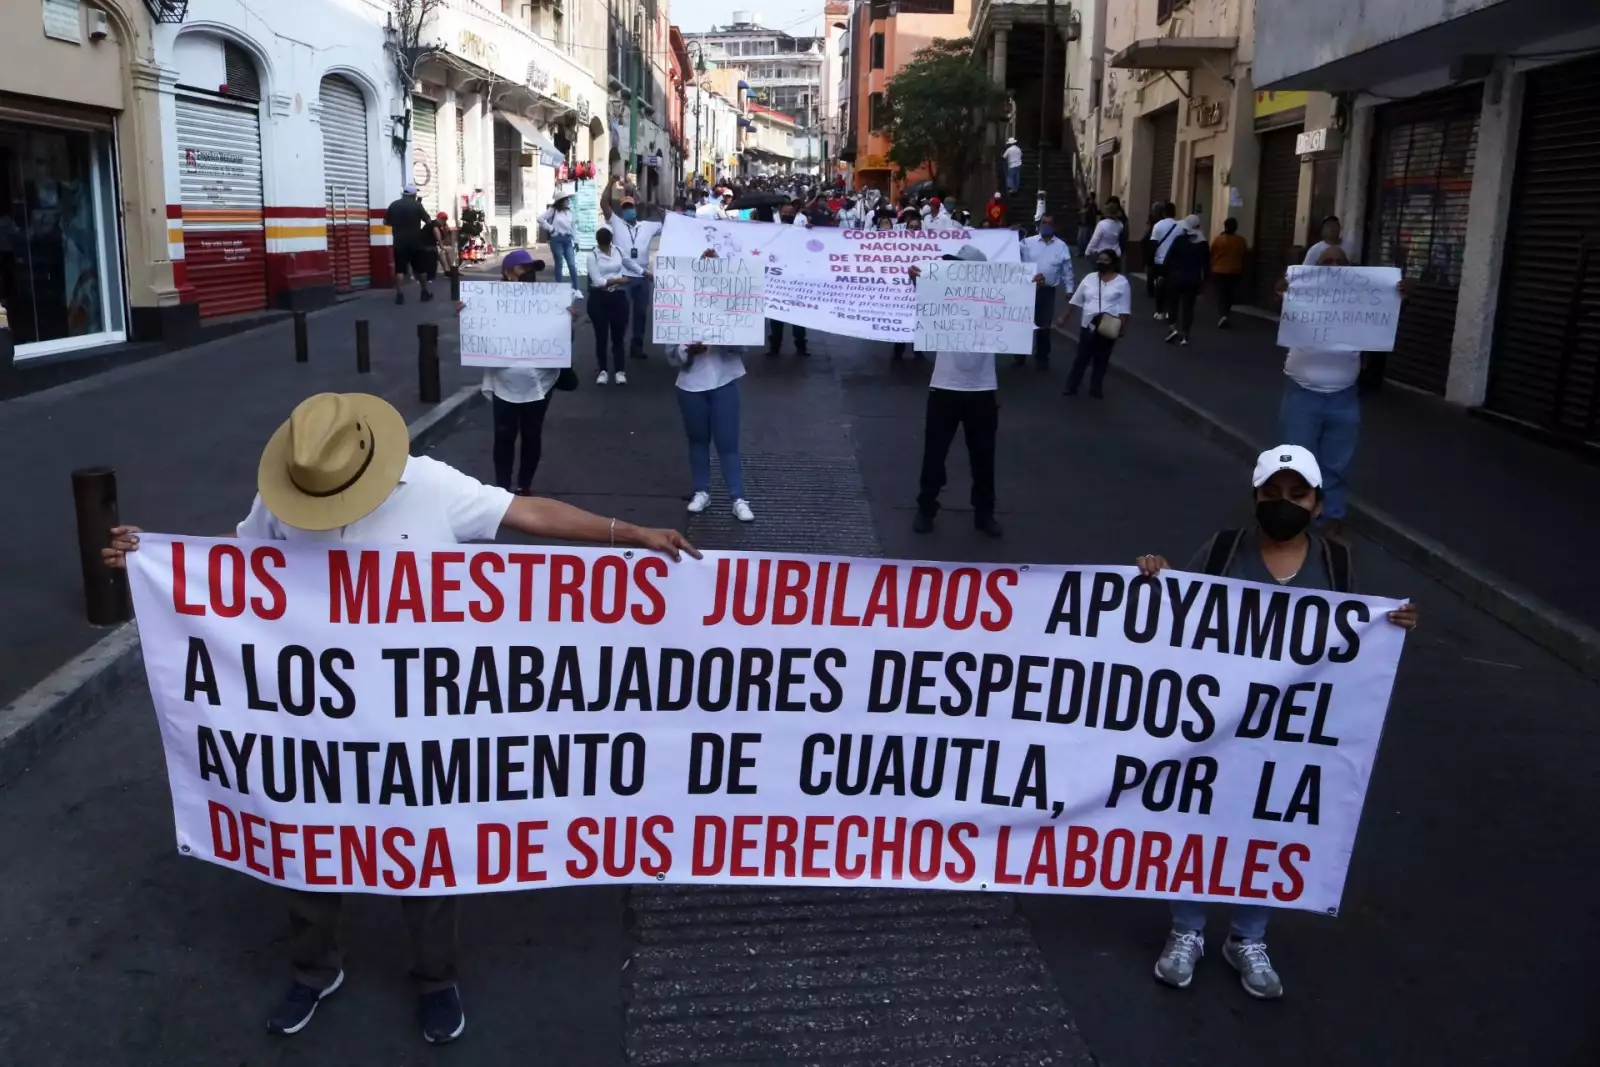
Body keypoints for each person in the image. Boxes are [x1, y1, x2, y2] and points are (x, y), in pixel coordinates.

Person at [100, 393, 697, 1045]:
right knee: (305, 841)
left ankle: (436, 979)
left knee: (424, 850)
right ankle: (315, 967)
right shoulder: (286, 490)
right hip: (315, 715)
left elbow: (523, 511)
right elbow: (238, 566)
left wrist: (627, 533)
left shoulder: (431, 484)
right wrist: (154, 553)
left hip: (415, 721)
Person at [1136, 444, 1417, 1001]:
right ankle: (1187, 930)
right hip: (1218, 724)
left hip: (1293, 734)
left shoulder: (1336, 565)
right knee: (1202, 822)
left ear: (1317, 505)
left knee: (1270, 827)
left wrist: (1394, 624)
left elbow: (1350, 643)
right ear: (1255, 499)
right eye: (1272, 494)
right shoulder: (1221, 552)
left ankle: (1248, 937)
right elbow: (1177, 616)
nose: (1283, 504)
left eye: (1296, 495)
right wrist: (1157, 576)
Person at [1273, 245, 1407, 541]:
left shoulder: (1361, 302)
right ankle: (1296, 519)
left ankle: (1331, 518)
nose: (1334, 266)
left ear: (1349, 269)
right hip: (1302, 393)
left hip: (1344, 396)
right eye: (1326, 262)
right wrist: (1283, 288)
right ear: (1316, 268)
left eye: (1340, 262)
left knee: (1337, 464)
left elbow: (1388, 318)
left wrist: (1399, 295)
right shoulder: (1303, 293)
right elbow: (1280, 300)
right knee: (1298, 463)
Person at [905, 247, 1035, 538]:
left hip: (982, 389)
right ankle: (926, 508)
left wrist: (1029, 286)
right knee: (934, 455)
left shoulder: (993, 301)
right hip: (944, 388)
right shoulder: (942, 296)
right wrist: (915, 278)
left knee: (983, 457)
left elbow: (1018, 305)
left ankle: (984, 513)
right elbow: (923, 291)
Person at [465, 248, 575, 494]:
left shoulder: (547, 300)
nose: (529, 274)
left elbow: (564, 342)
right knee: (504, 435)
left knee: (532, 434)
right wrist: (466, 315)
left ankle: (525, 486)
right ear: (507, 273)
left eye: (533, 269)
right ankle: (502, 489)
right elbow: (477, 333)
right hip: (504, 381)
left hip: (541, 382)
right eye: (523, 268)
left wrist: (567, 322)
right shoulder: (487, 301)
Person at [670, 250, 756, 523]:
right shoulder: (678, 303)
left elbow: (743, 343)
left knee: (727, 442)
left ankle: (738, 497)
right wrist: (689, 350)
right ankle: (701, 491)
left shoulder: (730, 302)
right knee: (697, 440)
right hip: (690, 383)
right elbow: (671, 354)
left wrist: (722, 340)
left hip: (723, 379)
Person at [1062, 247, 1132, 398]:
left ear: (1113, 263)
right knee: (1081, 357)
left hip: (1108, 325)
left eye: (1106, 260)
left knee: (1102, 359)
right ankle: (1072, 385)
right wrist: (1064, 317)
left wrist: (1123, 327)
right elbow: (1076, 300)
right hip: (1088, 325)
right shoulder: (1089, 279)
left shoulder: (1122, 283)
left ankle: (1096, 388)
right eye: (1100, 259)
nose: (1101, 262)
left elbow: (1125, 309)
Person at [602, 187, 661, 361]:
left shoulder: (648, 226)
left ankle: (637, 346)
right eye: (625, 207)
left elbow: (670, 223)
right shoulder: (616, 223)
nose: (629, 210)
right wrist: (610, 183)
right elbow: (604, 203)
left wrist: (656, 207)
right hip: (623, 277)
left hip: (643, 277)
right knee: (622, 313)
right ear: (622, 210)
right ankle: (618, 345)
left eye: (631, 207)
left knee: (641, 313)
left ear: (636, 208)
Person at [1019, 213, 1073, 369]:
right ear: (1039, 224)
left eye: (1050, 223)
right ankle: (1020, 355)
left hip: (1047, 292)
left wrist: (1069, 290)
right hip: (1026, 288)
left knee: (1044, 325)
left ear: (1054, 226)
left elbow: (1067, 270)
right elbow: (1014, 257)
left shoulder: (1061, 246)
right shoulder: (1027, 243)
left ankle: (1042, 357)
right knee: (1023, 323)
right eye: (1044, 222)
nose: (1046, 225)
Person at [586, 226, 630, 385]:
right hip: (598, 299)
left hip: (617, 297)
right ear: (598, 242)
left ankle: (619, 370)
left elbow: (629, 263)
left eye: (606, 245)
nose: (604, 248)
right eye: (602, 245)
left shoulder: (618, 251)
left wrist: (644, 273)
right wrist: (619, 280)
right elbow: (597, 282)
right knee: (601, 336)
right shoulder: (592, 256)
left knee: (618, 336)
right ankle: (603, 370)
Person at [769, 203, 810, 357]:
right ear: (780, 213)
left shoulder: (802, 230)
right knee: (775, 316)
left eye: (790, 212)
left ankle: (801, 346)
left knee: (798, 317)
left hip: (796, 280)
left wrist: (811, 233)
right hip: (777, 281)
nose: (787, 215)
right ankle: (774, 346)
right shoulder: (772, 228)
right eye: (784, 212)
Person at [1162, 214, 1209, 346]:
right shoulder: (1203, 243)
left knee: (1173, 303)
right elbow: (1206, 264)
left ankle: (1172, 327)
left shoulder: (1179, 240)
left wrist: (1164, 273)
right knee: (1188, 307)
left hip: (1176, 276)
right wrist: (1205, 280)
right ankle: (1185, 335)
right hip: (1193, 278)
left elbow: (1168, 257)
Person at [383, 184, 433, 305]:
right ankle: (424, 292)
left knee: (399, 270)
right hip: (416, 242)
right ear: (414, 194)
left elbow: (386, 223)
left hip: (399, 243)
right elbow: (428, 221)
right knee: (421, 269)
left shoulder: (393, 205)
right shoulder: (417, 205)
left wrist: (398, 226)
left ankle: (399, 295)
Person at [1210, 217, 1248, 327]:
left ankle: (1223, 314)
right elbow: (1243, 254)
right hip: (1235, 270)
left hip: (1219, 270)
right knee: (1230, 293)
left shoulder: (1218, 239)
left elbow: (1212, 252)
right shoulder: (1240, 241)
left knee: (1221, 293)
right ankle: (1226, 312)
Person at [539, 192, 579, 290]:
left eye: (568, 199)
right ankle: (559, 287)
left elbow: (573, 227)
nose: (567, 201)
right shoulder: (554, 210)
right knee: (559, 263)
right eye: (565, 199)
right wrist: (551, 228)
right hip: (556, 239)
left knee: (572, 264)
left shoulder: (569, 212)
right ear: (560, 201)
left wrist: (577, 241)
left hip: (568, 239)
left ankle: (576, 288)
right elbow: (540, 219)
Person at [1148, 202, 1180, 321]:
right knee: (1172, 288)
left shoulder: (1158, 226)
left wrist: (1150, 261)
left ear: (1164, 213)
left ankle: (1160, 311)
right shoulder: (1180, 226)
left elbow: (1153, 244)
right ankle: (1169, 312)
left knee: (1160, 286)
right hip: (1174, 262)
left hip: (1160, 261)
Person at [432, 212, 458, 279]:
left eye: (445, 219)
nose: (444, 220)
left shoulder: (445, 226)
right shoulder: (434, 224)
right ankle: (446, 270)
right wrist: (442, 245)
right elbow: (438, 237)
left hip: (440, 244)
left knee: (449, 249)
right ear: (438, 218)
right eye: (442, 219)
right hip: (432, 244)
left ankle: (452, 269)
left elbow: (448, 237)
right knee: (442, 252)